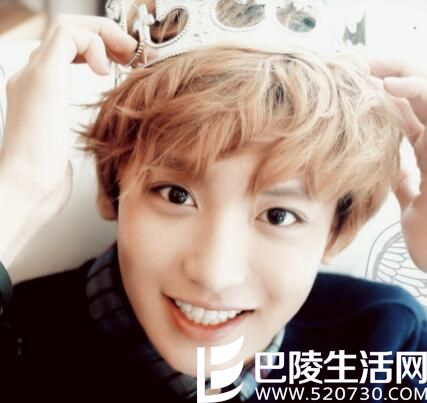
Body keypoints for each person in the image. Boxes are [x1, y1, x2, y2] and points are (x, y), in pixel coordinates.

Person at [0, 1, 426, 402]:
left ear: (336, 231)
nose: (214, 276)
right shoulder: (18, 339)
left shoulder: (383, 342)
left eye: (279, 215)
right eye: (176, 195)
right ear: (112, 186)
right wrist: (18, 189)